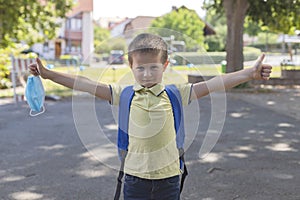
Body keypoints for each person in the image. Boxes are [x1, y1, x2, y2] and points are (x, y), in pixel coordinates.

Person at [28, 33, 272, 200]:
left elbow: (216, 83)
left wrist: (249, 74)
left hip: (169, 180)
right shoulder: (122, 95)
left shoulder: (176, 94)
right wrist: (49, 74)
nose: (146, 74)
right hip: (134, 180)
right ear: (130, 66)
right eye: (140, 68)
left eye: (153, 67)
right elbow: (83, 83)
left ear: (165, 65)